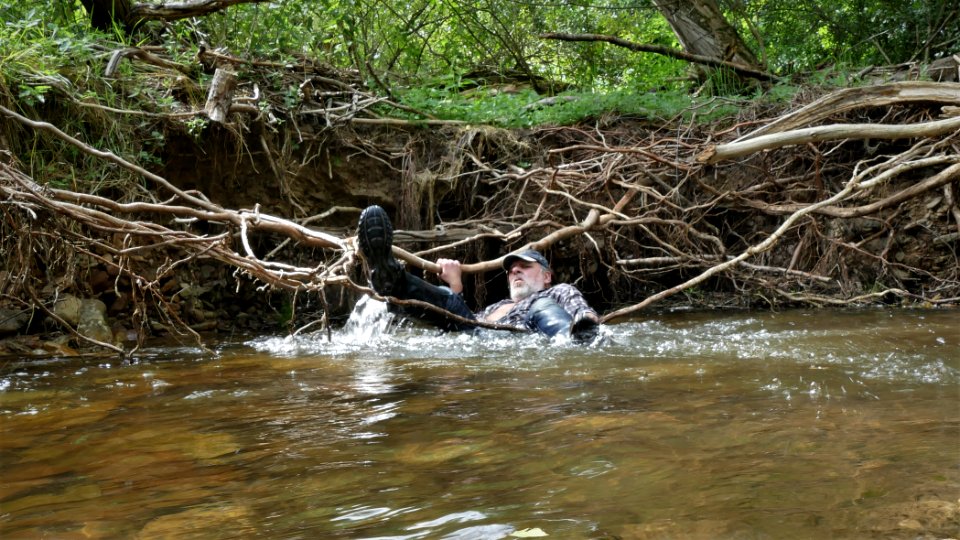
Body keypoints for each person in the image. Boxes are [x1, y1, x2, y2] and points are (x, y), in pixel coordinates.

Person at [356, 205, 600, 342]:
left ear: (546, 276)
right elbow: (464, 323)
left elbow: (578, 305)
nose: (515, 271)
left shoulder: (557, 291)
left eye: (524, 267)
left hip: (515, 340)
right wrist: (455, 287)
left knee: (543, 305)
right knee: (448, 309)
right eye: (512, 270)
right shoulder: (497, 307)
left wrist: (587, 321)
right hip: (484, 341)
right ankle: (390, 283)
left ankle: (573, 338)